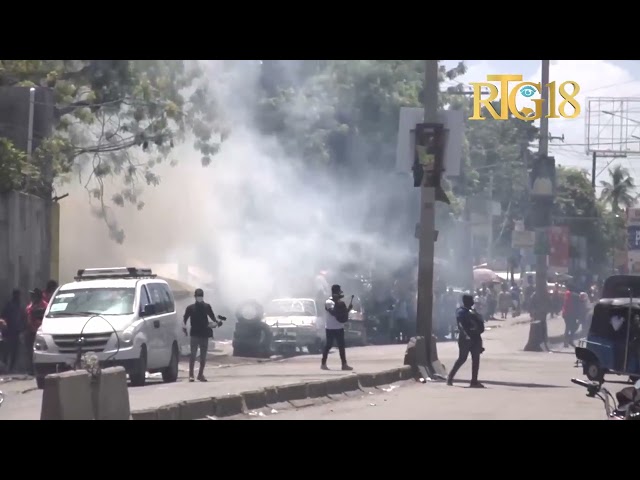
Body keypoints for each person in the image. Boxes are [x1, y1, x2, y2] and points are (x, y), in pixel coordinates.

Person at [183, 288, 221, 382]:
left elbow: (212, 316)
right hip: (195, 334)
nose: (199, 298)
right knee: (193, 355)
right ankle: (191, 375)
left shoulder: (207, 307)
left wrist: (217, 322)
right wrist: (184, 328)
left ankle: (200, 374)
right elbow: (185, 319)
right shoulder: (190, 308)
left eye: (200, 296)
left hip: (204, 334)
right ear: (195, 297)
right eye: (198, 296)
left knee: (203, 356)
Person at [447, 294, 485, 388]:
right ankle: (450, 377)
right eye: (471, 300)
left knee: (475, 359)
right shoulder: (461, 311)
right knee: (462, 358)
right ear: (467, 301)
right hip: (466, 338)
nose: (472, 302)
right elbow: (461, 324)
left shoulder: (471, 311)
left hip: (475, 338)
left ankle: (474, 381)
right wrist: (466, 334)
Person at [321, 284, 353, 371]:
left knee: (341, 346)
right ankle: (323, 364)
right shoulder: (329, 302)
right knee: (328, 345)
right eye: (339, 291)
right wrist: (337, 303)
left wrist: (348, 309)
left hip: (339, 327)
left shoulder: (339, 302)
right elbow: (334, 313)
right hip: (330, 327)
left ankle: (344, 364)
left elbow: (342, 314)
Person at [0, 289, 25, 373]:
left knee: (14, 351)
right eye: (17, 295)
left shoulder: (19, 306)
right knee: (7, 351)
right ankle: (6, 367)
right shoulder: (9, 305)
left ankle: (11, 368)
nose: (18, 297)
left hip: (16, 332)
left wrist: (22, 329)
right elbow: (3, 317)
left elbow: (22, 318)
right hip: (9, 332)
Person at [25, 288, 48, 375]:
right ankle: (31, 369)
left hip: (41, 332)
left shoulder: (45, 306)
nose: (32, 297)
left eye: (34, 295)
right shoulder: (31, 306)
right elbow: (28, 316)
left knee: (40, 351)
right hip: (31, 332)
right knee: (30, 351)